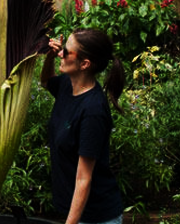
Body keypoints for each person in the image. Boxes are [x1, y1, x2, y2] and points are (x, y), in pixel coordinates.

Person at [40, 29, 124, 224]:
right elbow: (45, 81)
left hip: (96, 217)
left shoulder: (93, 111)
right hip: (77, 211)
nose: (61, 52)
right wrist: (50, 57)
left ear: (84, 64)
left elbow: (83, 179)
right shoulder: (67, 86)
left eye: (66, 52)